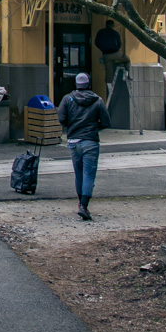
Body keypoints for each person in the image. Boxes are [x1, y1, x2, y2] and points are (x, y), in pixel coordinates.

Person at [58, 71, 111, 220]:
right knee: (89, 174)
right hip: (91, 142)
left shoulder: (67, 99)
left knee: (78, 173)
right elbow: (106, 122)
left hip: (74, 142)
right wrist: (94, 128)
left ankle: (80, 203)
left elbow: (61, 118)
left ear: (76, 84)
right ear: (89, 84)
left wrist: (72, 127)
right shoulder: (98, 100)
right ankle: (84, 205)